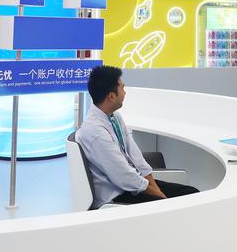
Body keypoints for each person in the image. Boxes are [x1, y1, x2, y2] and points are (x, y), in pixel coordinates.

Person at [75, 65, 199, 208]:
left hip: (131, 185)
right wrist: (160, 196)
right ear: (111, 96)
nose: (125, 92)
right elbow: (123, 176)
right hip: (117, 195)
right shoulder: (95, 132)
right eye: (122, 88)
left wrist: (156, 189)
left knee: (192, 194)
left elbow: (136, 157)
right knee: (179, 205)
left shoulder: (114, 117)